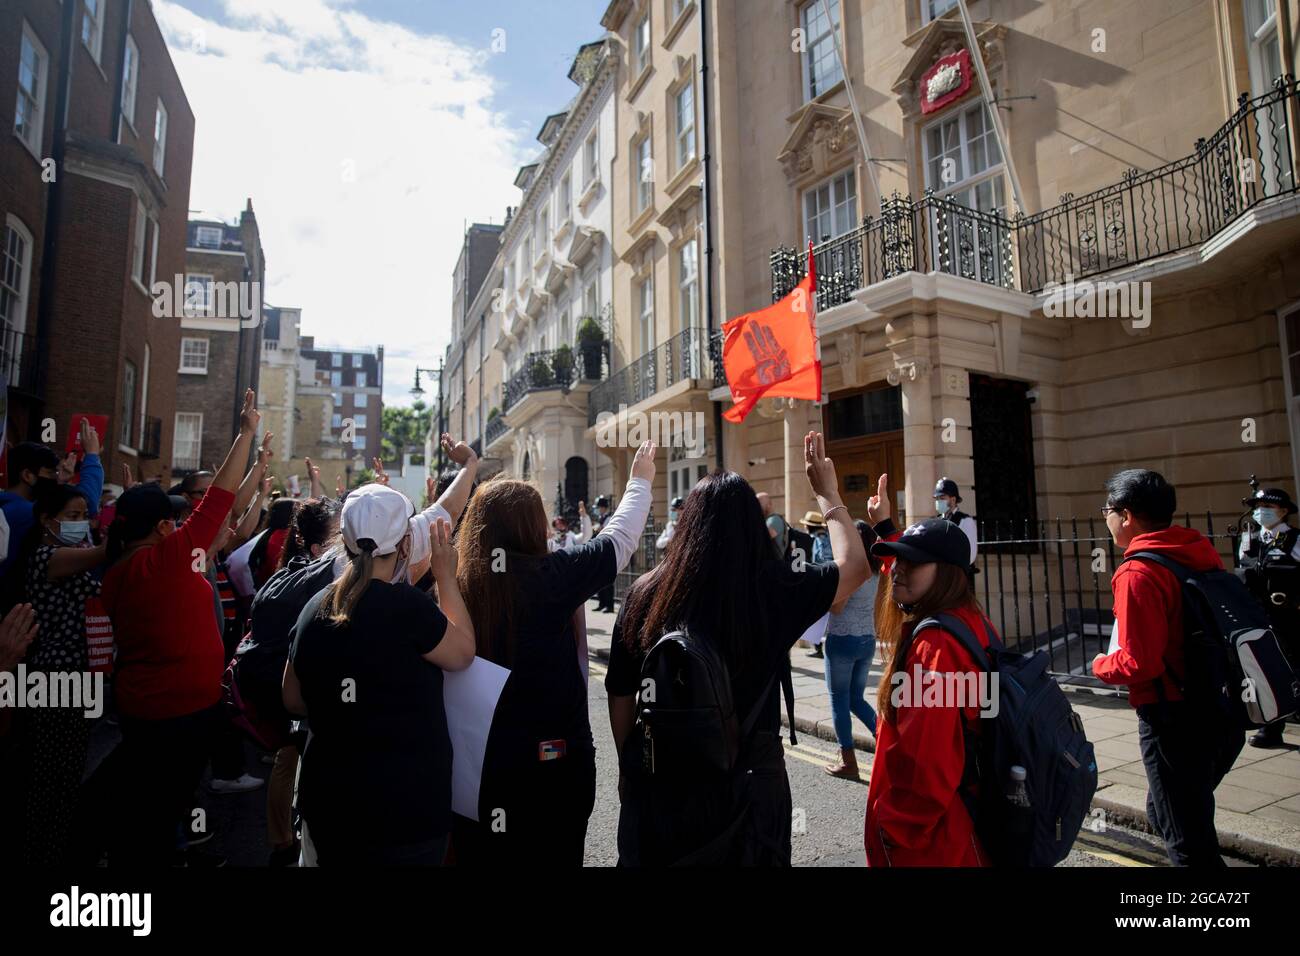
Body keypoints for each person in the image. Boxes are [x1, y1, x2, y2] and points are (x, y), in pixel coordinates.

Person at [608, 433, 868, 865]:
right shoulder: (775, 589)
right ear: (753, 524)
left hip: (663, 784)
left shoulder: (642, 594)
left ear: (687, 523)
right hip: (747, 790)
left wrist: (629, 764)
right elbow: (856, 567)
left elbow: (620, 695)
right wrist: (827, 494)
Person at [452, 441, 657, 865]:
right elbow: (618, 540)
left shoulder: (454, 582)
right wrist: (639, 480)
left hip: (481, 769)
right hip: (557, 764)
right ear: (533, 525)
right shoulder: (553, 574)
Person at [91, 389, 260, 866]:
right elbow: (220, 499)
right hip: (179, 715)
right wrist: (245, 434)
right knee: (160, 813)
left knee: (152, 807)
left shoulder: (120, 568)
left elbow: (220, 511)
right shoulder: (168, 560)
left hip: (144, 709)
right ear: (165, 528)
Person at [282, 485, 475, 866]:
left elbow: (292, 699)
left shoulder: (314, 608)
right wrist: (446, 577)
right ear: (405, 545)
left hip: (332, 806)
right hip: (406, 812)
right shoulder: (408, 607)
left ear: (345, 542)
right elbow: (463, 653)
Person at [1091, 468, 1244, 866]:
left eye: (1107, 509)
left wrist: (1101, 666)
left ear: (1125, 516)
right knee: (1170, 816)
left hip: (1173, 719)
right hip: (1222, 709)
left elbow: (1139, 662)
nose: (1104, 518)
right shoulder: (1196, 550)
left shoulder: (1138, 571)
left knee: (1188, 847)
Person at [861, 473, 998, 867]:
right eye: (897, 560)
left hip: (935, 842)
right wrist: (886, 527)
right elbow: (919, 568)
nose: (898, 570)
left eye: (912, 562)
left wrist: (895, 830)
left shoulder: (934, 647)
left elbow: (928, 762)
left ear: (947, 571)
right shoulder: (971, 621)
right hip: (965, 819)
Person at [8, 485, 107, 865]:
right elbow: (106, 553)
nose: (81, 523)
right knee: (50, 780)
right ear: (48, 521)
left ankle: (54, 849)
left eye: (85, 515)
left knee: (66, 776)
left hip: (77, 675)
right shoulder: (45, 557)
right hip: (52, 678)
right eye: (72, 516)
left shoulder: (71, 556)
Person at [0, 420, 105, 580]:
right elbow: (86, 501)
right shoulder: (22, 511)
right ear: (28, 475)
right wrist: (92, 455)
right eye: (51, 474)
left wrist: (61, 483)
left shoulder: (7, 507)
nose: (54, 479)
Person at [1237, 485, 1300, 748]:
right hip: (1259, 617)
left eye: (1268, 508)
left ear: (1283, 511)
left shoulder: (1295, 539)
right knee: (1264, 670)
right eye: (1257, 508)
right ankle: (1271, 727)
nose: (1260, 512)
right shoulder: (1250, 540)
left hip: (1291, 616)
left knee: (1295, 666)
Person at [821, 520, 881, 779]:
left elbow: (836, 607)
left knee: (839, 700)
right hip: (867, 640)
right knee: (856, 698)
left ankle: (849, 762)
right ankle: (887, 742)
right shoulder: (875, 569)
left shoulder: (851, 570)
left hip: (842, 641)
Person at [933, 477, 979, 572]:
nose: (938, 502)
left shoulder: (965, 520)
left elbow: (971, 553)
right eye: (936, 498)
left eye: (942, 498)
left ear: (953, 499)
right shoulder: (935, 521)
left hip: (959, 575)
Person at [591, 495, 616, 612]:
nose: (597, 509)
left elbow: (608, 530)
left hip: (607, 550)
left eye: (599, 507)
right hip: (600, 550)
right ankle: (601, 603)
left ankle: (609, 605)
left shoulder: (609, 518)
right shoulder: (600, 518)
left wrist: (599, 528)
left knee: (607, 580)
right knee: (599, 578)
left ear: (603, 507)